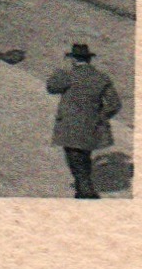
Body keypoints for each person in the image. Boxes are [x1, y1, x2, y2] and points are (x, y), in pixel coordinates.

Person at [46, 42, 122, 199]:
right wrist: (100, 117)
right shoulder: (101, 77)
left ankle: (87, 193)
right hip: (91, 127)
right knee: (84, 158)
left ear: (73, 59)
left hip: (70, 126)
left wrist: (59, 70)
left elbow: (51, 87)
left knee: (75, 161)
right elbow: (114, 104)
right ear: (89, 60)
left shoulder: (69, 75)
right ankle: (82, 191)